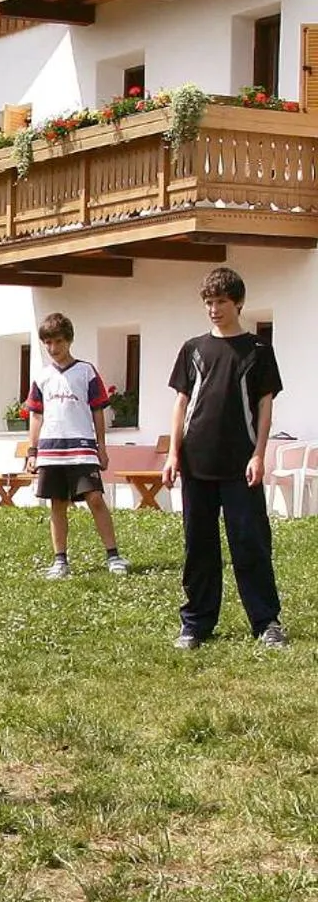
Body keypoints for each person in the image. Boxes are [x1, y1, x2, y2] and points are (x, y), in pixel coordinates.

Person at [162, 267, 286, 651]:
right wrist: (172, 454)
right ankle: (196, 624)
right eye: (209, 302)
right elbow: (181, 403)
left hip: (240, 465)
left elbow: (264, 407)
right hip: (196, 463)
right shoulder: (193, 349)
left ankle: (266, 622)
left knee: (250, 543)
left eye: (221, 302)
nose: (214, 309)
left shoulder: (258, 350)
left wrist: (259, 454)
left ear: (238, 303)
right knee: (198, 546)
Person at [22, 313, 128, 579]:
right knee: (57, 504)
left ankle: (113, 555)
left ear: (68, 341)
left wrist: (101, 447)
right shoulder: (42, 377)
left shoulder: (86, 371)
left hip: (81, 449)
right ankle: (60, 561)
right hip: (51, 451)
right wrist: (32, 451)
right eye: (47, 342)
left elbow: (98, 410)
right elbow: (36, 415)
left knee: (95, 499)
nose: (53, 348)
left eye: (58, 341)